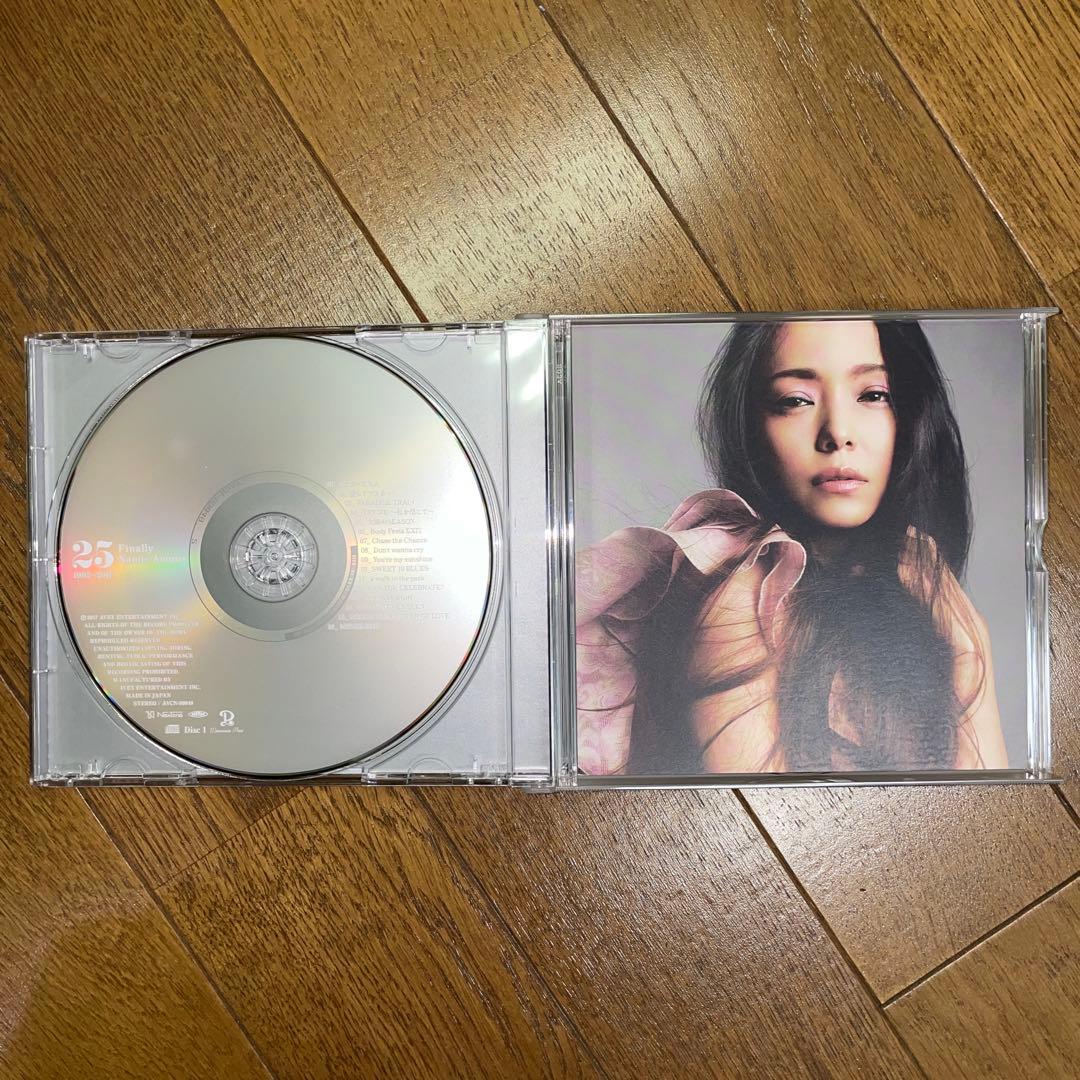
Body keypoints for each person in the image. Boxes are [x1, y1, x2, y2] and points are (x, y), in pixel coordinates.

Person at [576, 319, 1007, 775]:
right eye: (796, 400)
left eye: (872, 395)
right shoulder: (744, 598)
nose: (838, 433)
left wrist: (967, 647)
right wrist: (968, 653)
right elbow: (761, 811)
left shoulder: (911, 585)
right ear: (751, 427)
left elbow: (993, 805)